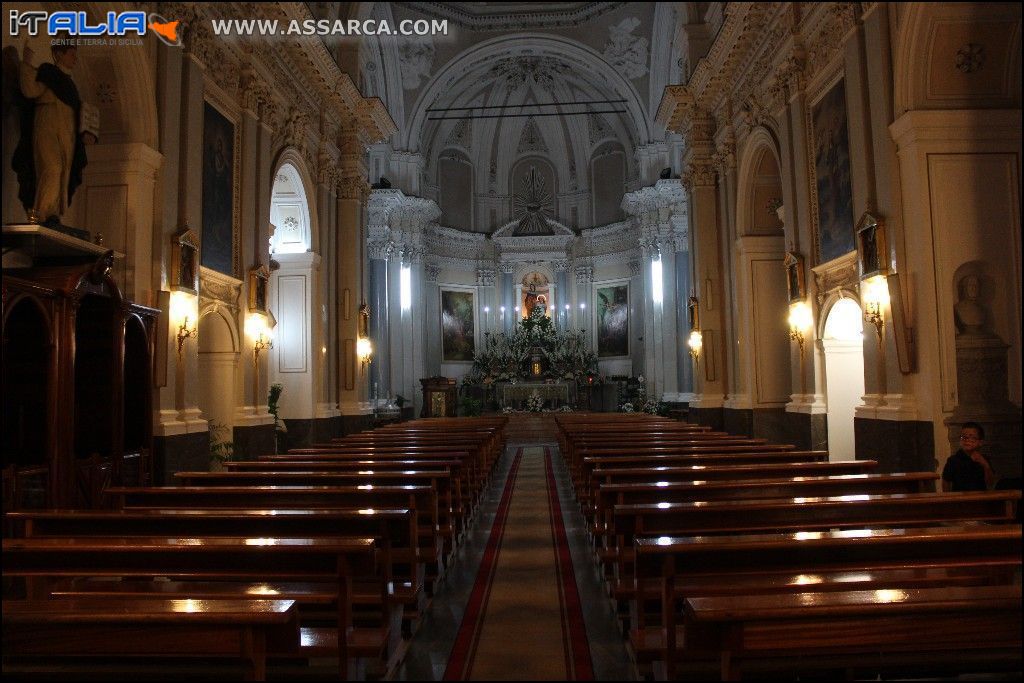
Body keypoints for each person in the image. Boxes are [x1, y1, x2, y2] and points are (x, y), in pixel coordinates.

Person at [12, 43, 89, 227]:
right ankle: (42, 213)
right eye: (71, 54)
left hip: (67, 130)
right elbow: (30, 90)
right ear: (58, 54)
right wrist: (26, 63)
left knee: (63, 172)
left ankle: (52, 213)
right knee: (52, 167)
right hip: (47, 123)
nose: (75, 58)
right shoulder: (48, 73)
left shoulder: (70, 84)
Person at [942, 422, 996, 492]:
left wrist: (985, 465)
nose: (967, 440)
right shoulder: (953, 460)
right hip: (959, 499)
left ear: (980, 442)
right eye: (964, 437)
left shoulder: (984, 459)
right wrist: (948, 499)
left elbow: (990, 483)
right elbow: (946, 481)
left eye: (972, 437)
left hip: (980, 498)